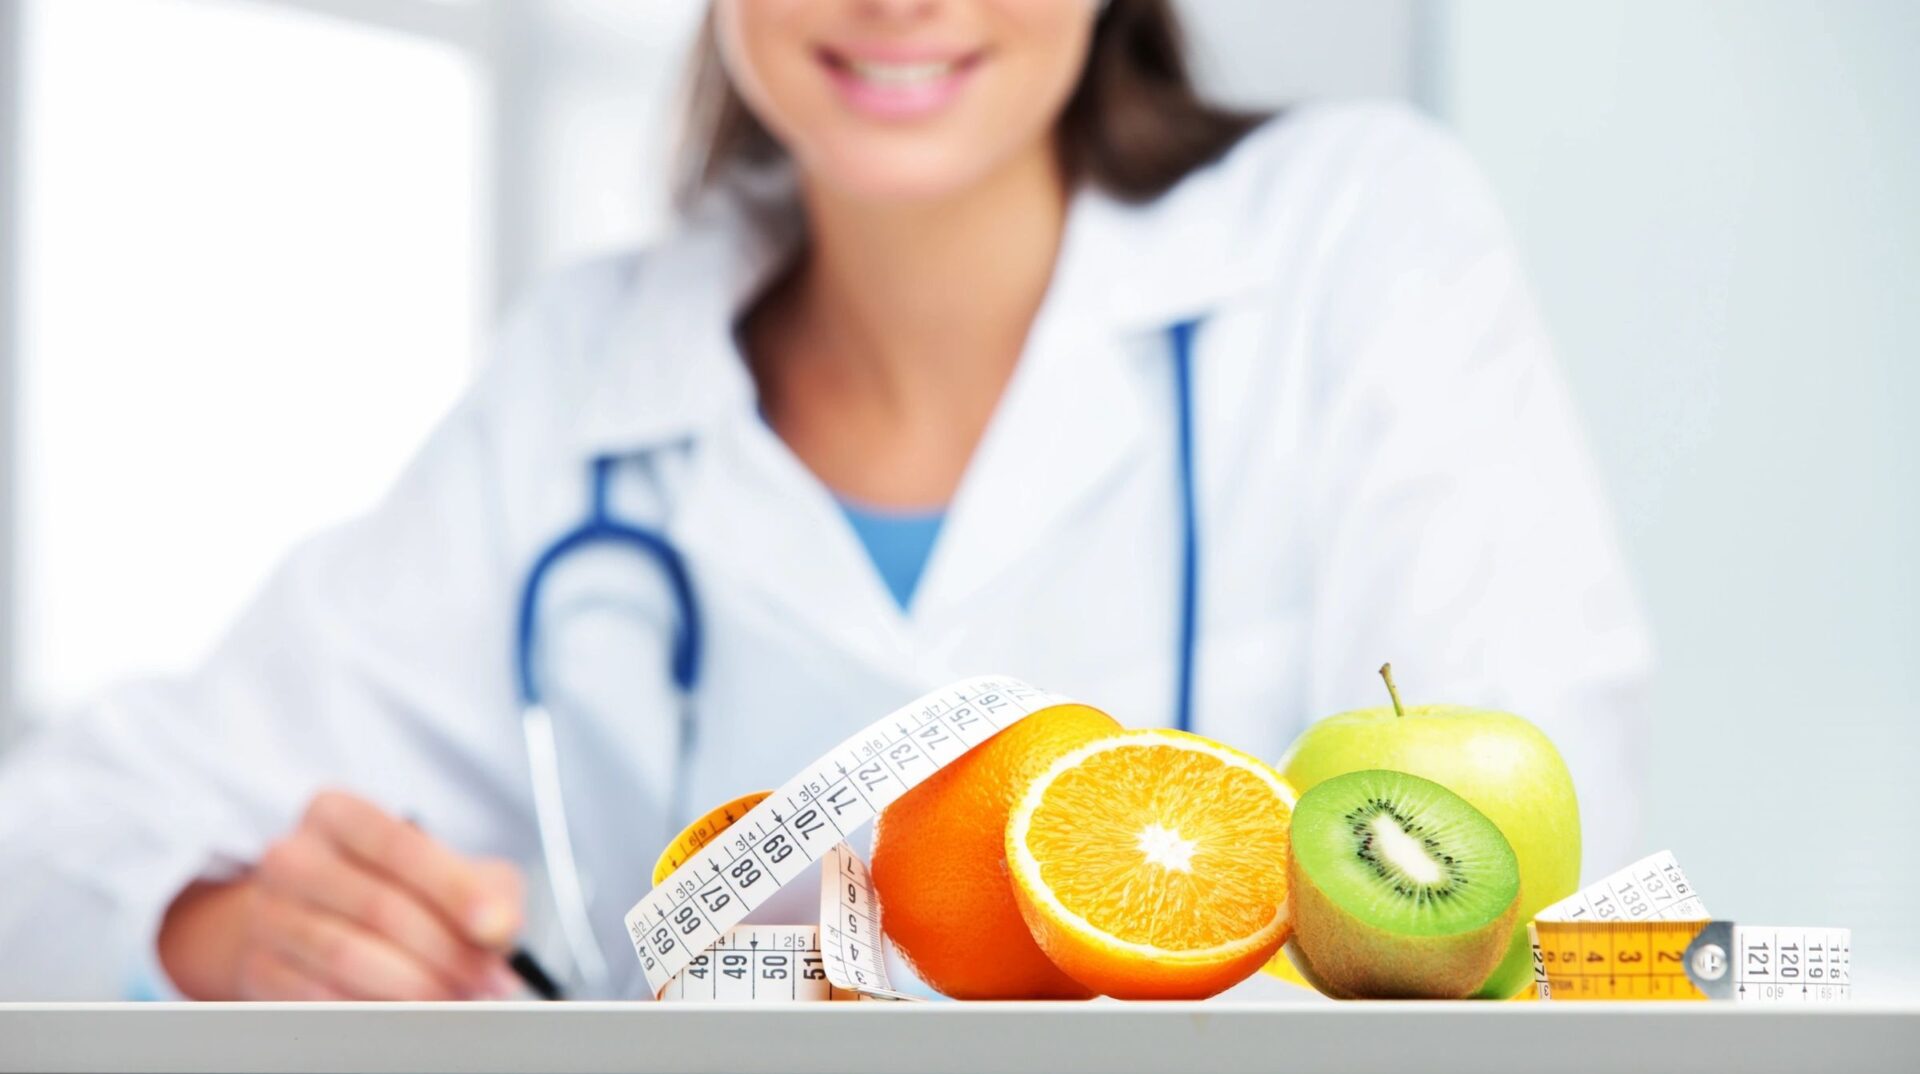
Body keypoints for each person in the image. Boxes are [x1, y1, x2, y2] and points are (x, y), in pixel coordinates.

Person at [0, 0, 1651, 1001]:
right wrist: (228, 927)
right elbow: (65, 837)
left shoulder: (1356, 245)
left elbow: (1534, 928)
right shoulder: (586, 377)